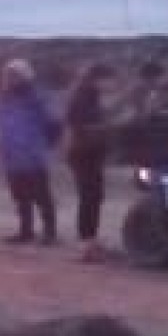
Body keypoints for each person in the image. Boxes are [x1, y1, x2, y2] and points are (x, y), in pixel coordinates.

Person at [0, 58, 60, 245]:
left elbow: (52, 123)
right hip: (13, 155)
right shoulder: (6, 97)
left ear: (24, 76)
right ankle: (26, 231)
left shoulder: (37, 97)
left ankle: (50, 233)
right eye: (7, 75)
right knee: (20, 196)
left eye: (13, 75)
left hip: (32, 155)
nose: (9, 78)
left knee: (41, 195)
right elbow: (1, 123)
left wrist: (48, 145)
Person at [61, 61, 116, 261]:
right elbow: (77, 124)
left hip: (89, 152)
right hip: (83, 153)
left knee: (94, 197)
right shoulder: (82, 96)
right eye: (109, 80)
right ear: (98, 79)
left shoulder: (89, 95)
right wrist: (104, 127)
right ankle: (86, 244)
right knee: (89, 197)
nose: (111, 84)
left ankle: (90, 240)